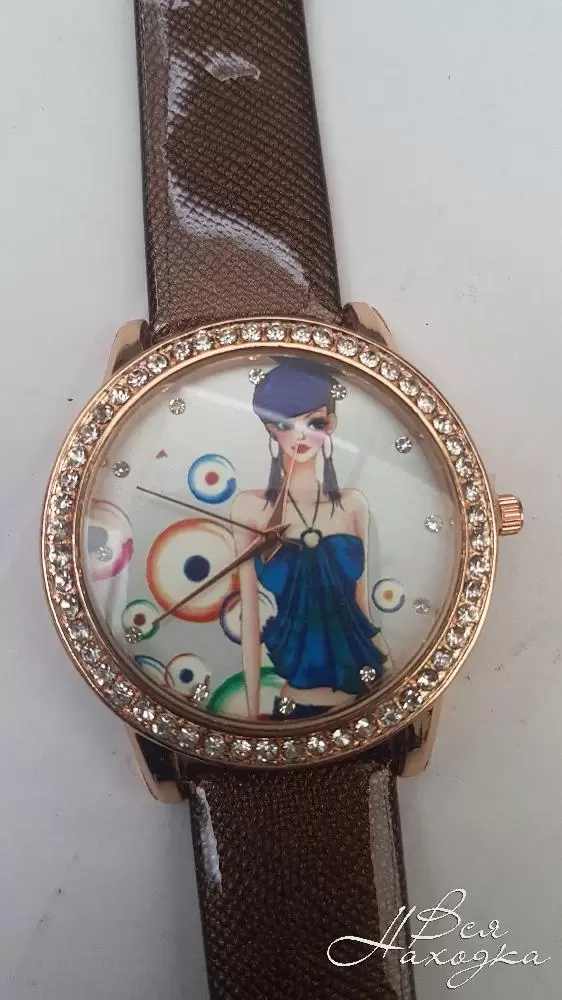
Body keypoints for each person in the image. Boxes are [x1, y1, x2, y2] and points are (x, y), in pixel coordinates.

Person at [231, 359, 390, 719]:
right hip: (295, 705)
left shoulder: (353, 505)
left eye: (314, 423)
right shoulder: (250, 510)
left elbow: (362, 610)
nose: (300, 435)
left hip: (365, 700)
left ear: (330, 425)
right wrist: (251, 720)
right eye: (285, 424)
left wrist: (397, 682)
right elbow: (250, 621)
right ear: (271, 430)